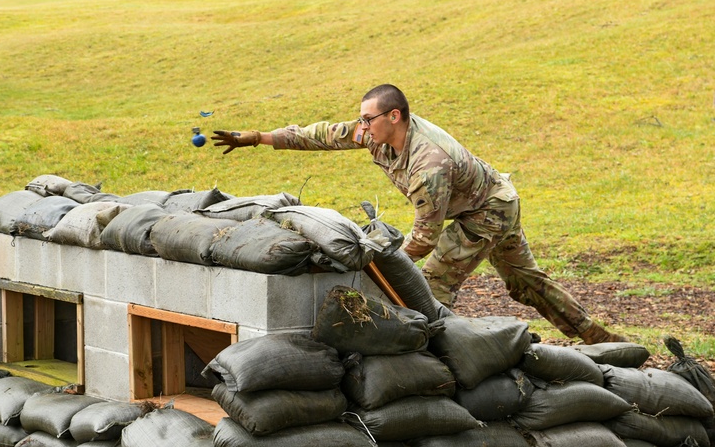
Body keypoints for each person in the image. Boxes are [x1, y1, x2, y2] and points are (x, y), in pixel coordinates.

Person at [211, 83, 626, 345]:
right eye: (361, 118)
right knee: (524, 283)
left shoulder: (429, 165)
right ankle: (593, 334)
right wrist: (259, 138)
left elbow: (424, 239)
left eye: (368, 118)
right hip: (491, 197)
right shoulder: (375, 132)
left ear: (395, 117)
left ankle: (443, 359)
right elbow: (322, 135)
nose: (361, 126)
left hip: (488, 211)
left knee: (431, 285)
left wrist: (379, 270)